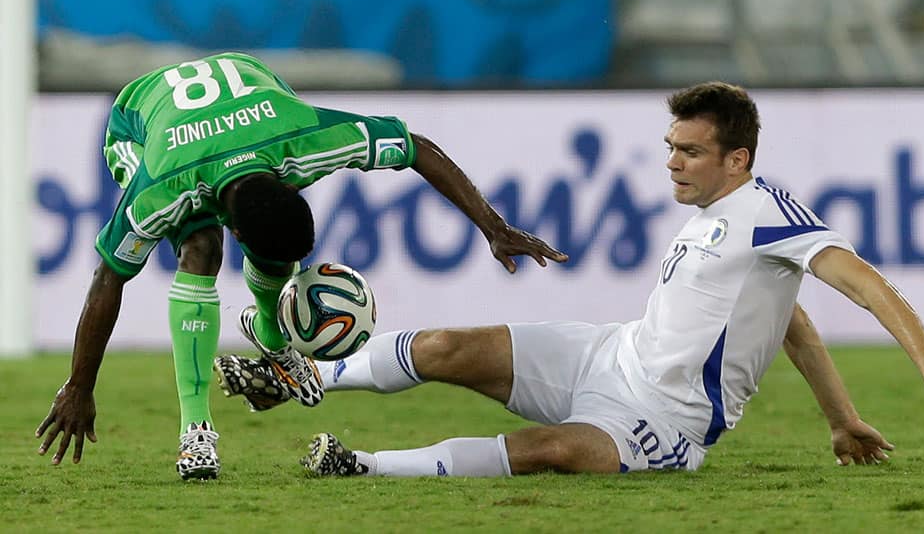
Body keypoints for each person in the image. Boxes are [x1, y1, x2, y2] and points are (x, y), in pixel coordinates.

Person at [220, 81, 924, 477]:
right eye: (670, 146)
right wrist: (841, 418)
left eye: (690, 152)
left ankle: (359, 466)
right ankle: (300, 375)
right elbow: (789, 322)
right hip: (606, 356)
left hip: (668, 419)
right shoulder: (715, 222)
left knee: (553, 450)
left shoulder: (769, 211)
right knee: (447, 344)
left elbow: (865, 283)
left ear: (739, 160)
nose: (672, 161)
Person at [34, 52, 567, 480]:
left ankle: (272, 333)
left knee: (269, 246)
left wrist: (495, 227)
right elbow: (109, 277)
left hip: (255, 95)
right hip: (142, 123)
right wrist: (79, 384)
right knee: (200, 247)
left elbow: (415, 147)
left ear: (293, 181)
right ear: (241, 229)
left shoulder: (305, 138)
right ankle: (195, 430)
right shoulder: (161, 186)